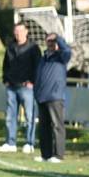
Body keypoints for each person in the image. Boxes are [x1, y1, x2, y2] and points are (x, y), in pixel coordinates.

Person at [0, 22, 41, 153]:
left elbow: (38, 66)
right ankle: (10, 142)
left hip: (26, 87)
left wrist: (33, 82)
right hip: (11, 86)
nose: (18, 34)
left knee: (30, 115)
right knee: (10, 116)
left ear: (26, 31)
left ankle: (30, 143)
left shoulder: (33, 48)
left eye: (20, 31)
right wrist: (5, 79)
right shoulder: (11, 47)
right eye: (16, 31)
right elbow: (5, 64)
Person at [34, 33, 71, 163]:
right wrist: (36, 92)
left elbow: (67, 50)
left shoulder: (61, 56)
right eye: (48, 41)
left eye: (53, 41)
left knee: (57, 126)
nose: (50, 43)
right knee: (44, 127)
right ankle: (46, 154)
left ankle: (58, 155)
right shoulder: (44, 57)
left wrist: (58, 39)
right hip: (42, 96)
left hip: (55, 96)